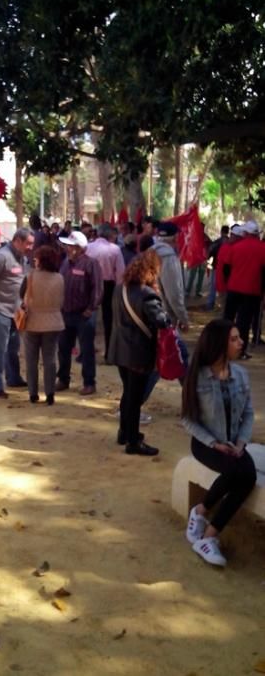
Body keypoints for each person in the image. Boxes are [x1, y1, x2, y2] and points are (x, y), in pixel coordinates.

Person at [181, 319, 256, 567]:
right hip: (206, 442)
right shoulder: (197, 375)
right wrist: (214, 443)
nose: (241, 342)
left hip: (233, 443)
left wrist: (241, 443)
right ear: (219, 345)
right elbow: (188, 420)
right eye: (234, 339)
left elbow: (248, 414)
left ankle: (208, 532)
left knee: (248, 475)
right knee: (238, 471)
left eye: (239, 337)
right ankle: (201, 514)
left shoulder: (241, 375)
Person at [107, 250, 170, 456]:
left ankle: (124, 432)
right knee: (134, 398)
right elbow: (160, 320)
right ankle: (133, 441)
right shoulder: (147, 294)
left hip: (119, 349)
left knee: (128, 393)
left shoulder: (119, 289)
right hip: (138, 352)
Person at [0, 228, 34, 398]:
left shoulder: (23, 258)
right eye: (28, 243)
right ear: (17, 240)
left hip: (16, 310)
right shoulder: (1, 257)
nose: (30, 247)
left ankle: (14, 378)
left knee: (13, 346)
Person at [56, 231, 103, 395]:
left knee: (86, 350)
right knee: (63, 348)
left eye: (70, 246)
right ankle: (63, 379)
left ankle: (89, 382)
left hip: (84, 315)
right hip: (66, 312)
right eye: (67, 245)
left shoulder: (91, 264)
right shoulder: (65, 263)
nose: (67, 248)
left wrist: (91, 308)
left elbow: (97, 289)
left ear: (79, 248)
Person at [20, 245, 64, 405]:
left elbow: (21, 295)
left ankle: (33, 393)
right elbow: (61, 300)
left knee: (31, 360)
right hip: (53, 321)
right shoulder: (60, 278)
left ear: (41, 261)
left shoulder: (30, 277)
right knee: (50, 359)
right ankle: (50, 393)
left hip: (32, 321)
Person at [223, 220, 265, 359]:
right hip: (252, 291)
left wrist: (228, 282)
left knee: (228, 318)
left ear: (246, 233)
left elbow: (226, 268)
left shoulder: (236, 247)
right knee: (244, 322)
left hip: (234, 288)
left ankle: (222, 347)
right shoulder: (262, 248)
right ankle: (240, 351)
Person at [86, 223, 125, 360]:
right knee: (109, 319)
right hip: (109, 286)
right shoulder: (115, 249)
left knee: (89, 317)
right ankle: (109, 353)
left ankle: (86, 352)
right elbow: (120, 273)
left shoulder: (88, 247)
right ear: (111, 235)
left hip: (90, 284)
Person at [205, 225, 229, 310]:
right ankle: (224, 307)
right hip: (228, 268)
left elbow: (210, 252)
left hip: (217, 267)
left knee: (213, 286)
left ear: (221, 231)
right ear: (228, 231)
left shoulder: (218, 242)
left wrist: (208, 260)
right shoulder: (230, 242)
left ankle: (210, 305)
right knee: (226, 288)